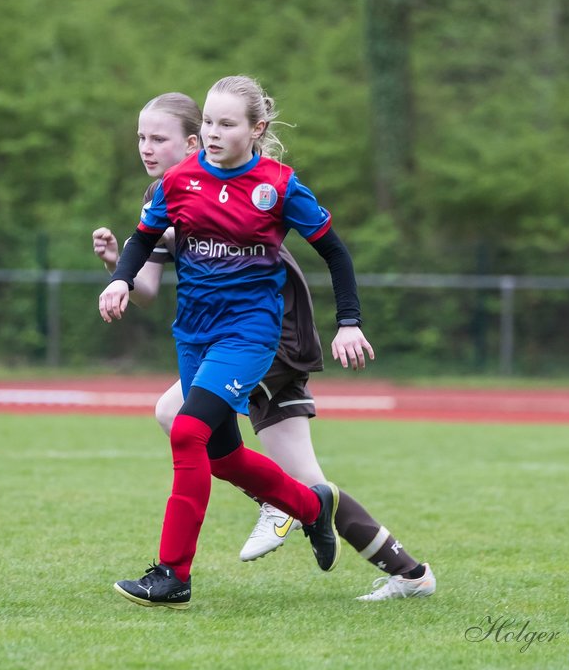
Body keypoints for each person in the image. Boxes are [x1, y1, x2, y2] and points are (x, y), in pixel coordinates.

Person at [94, 92, 435, 601]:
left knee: (190, 427)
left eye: (157, 138)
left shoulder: (265, 187)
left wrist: (348, 323)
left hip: (269, 342)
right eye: (140, 137)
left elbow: (306, 259)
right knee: (191, 428)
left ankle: (186, 566)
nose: (146, 147)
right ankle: (315, 517)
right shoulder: (168, 192)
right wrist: (117, 272)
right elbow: (148, 282)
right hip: (208, 337)